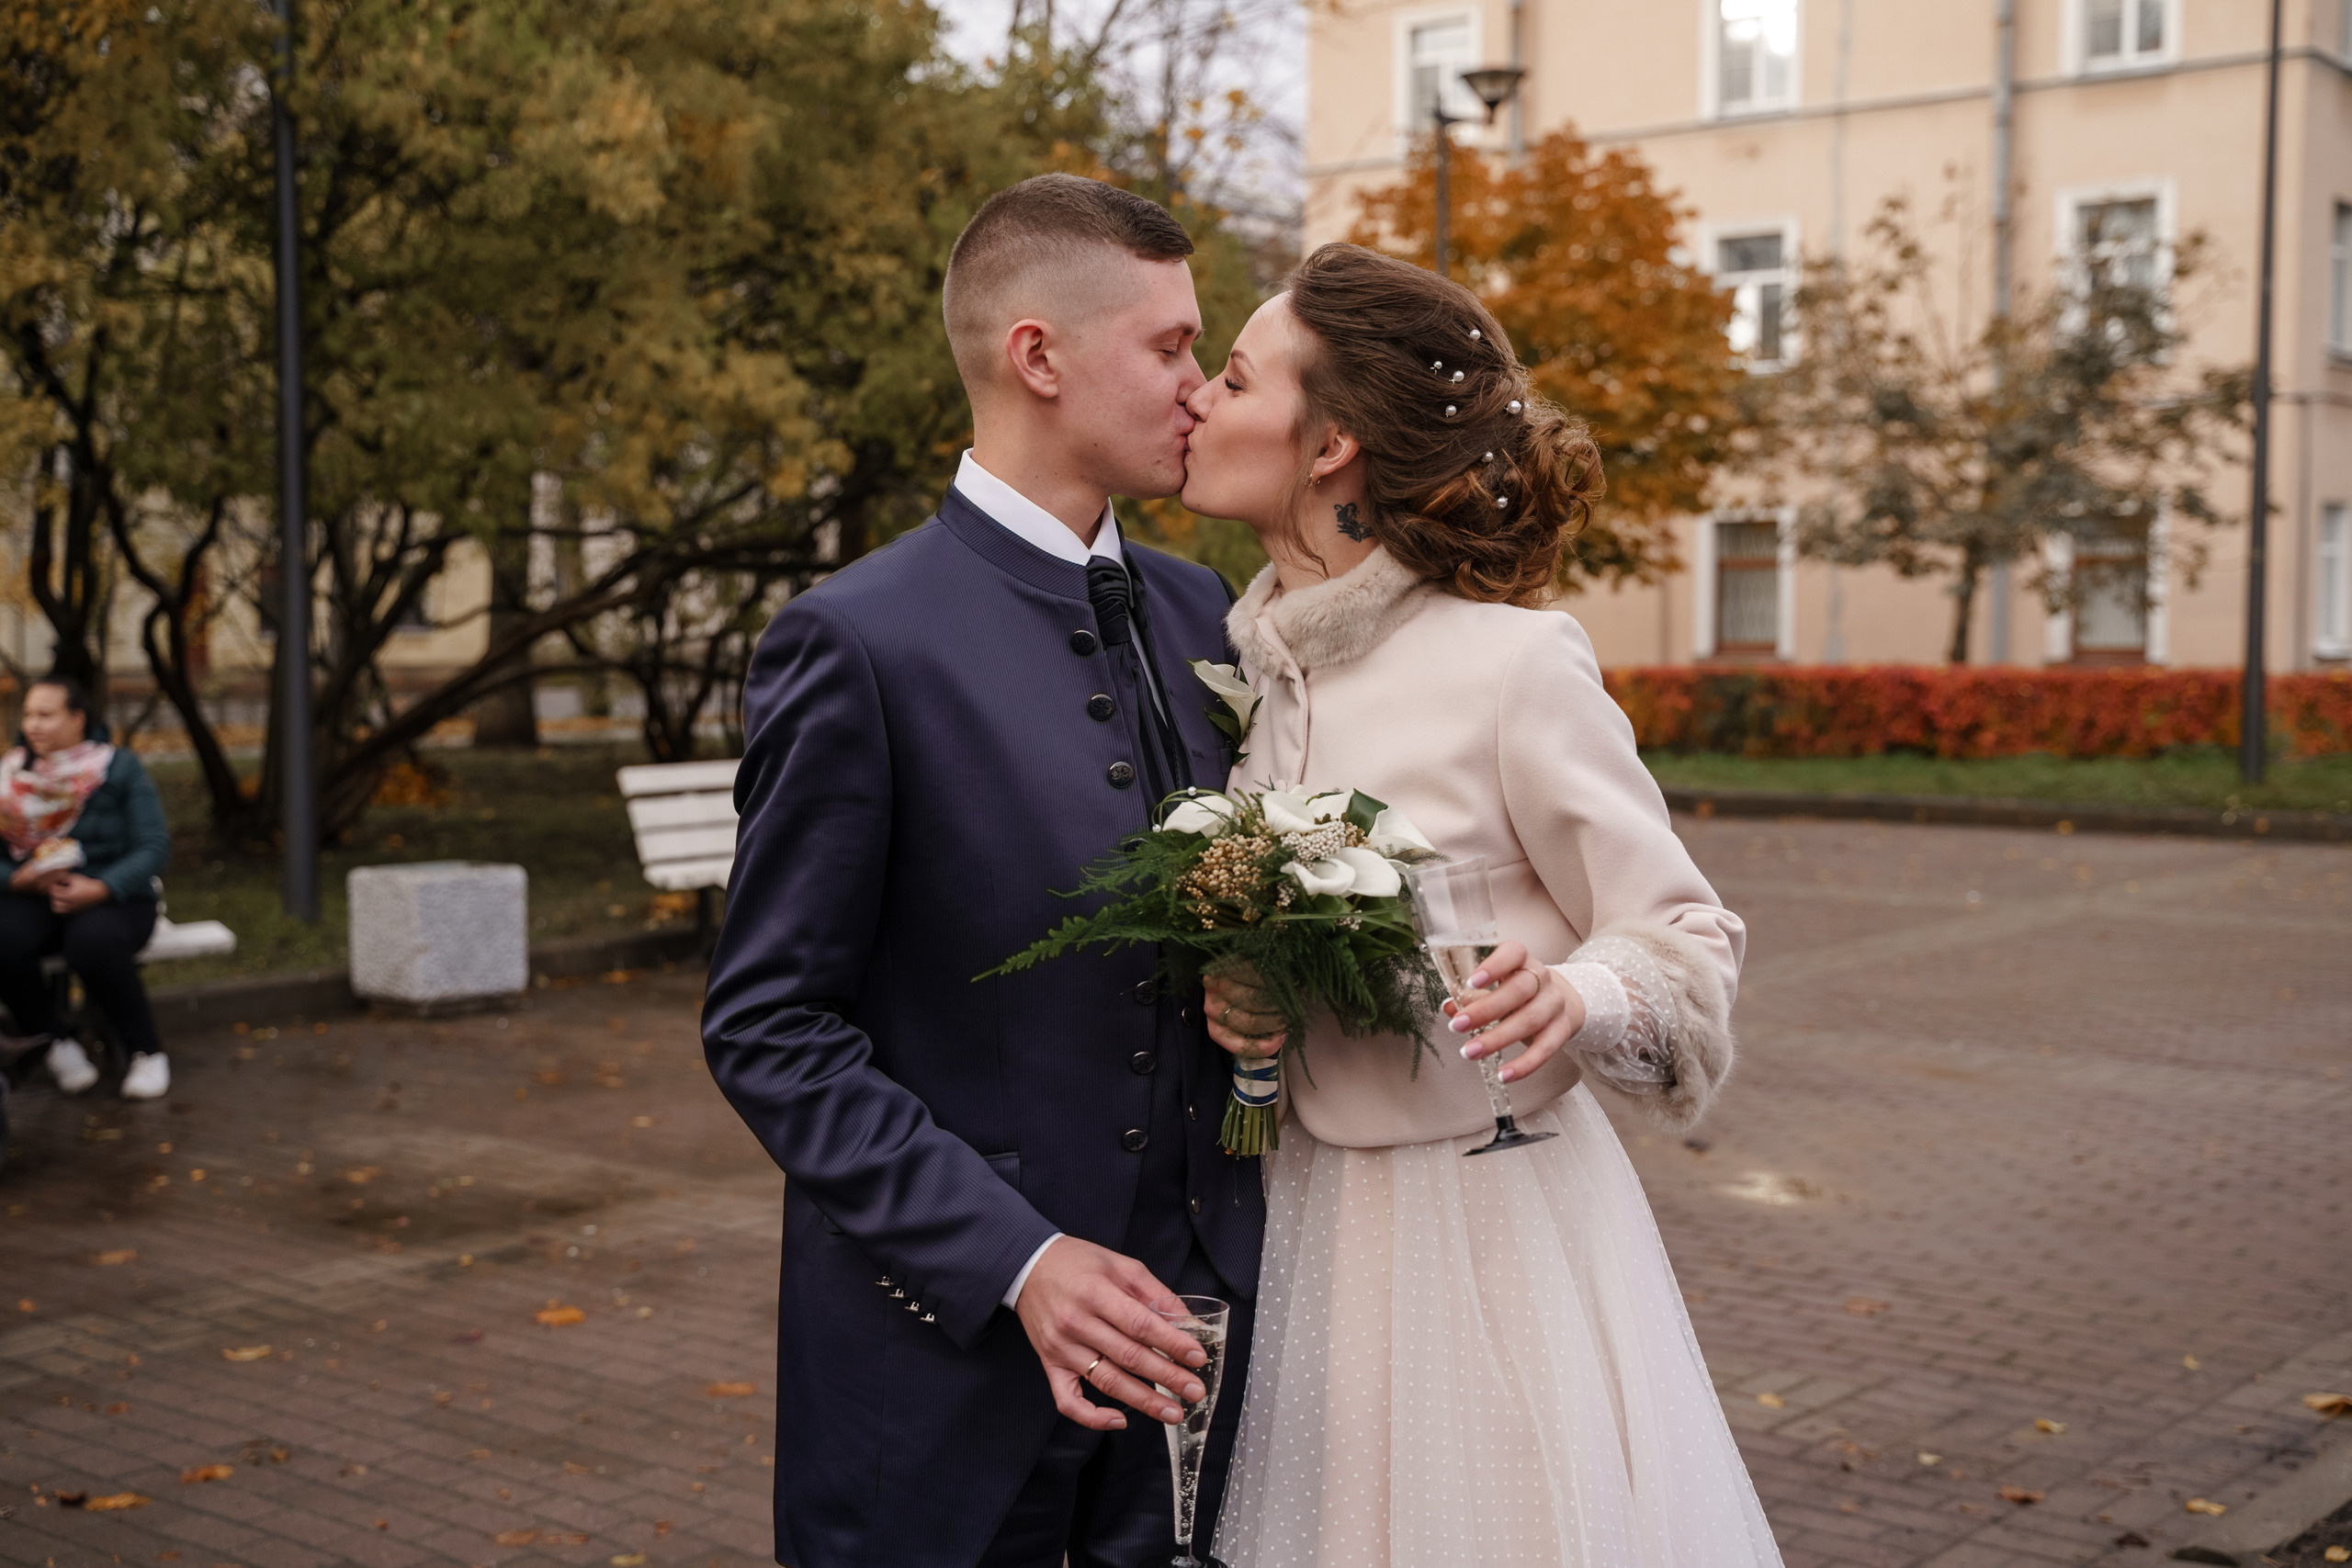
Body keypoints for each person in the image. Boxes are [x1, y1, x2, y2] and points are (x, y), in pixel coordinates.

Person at [1181, 243, 1783, 1567]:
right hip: (1303, 1238)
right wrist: (1259, 1015)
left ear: (1329, 440)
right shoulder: (1252, 678)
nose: (1197, 404)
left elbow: (1689, 938)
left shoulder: (1515, 661)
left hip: (1489, 1245)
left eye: (1230, 376)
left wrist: (1578, 991)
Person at [701, 174, 1264, 1568]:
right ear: (1038, 356)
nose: (1201, 384)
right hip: (935, 1389)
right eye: (1173, 345)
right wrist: (1017, 1258)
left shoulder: (1212, 611)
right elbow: (770, 1025)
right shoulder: (855, 638)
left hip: (1195, 1371)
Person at [0, 676, 174, 1102]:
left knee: (92, 941)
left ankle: (146, 1051)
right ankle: (56, 1044)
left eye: (46, 714)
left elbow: (153, 846)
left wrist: (101, 886)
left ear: (78, 719)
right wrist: (14, 878)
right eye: (28, 714)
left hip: (117, 897)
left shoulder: (118, 767)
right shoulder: (9, 776)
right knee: (3, 937)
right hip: (34, 896)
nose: (33, 724)